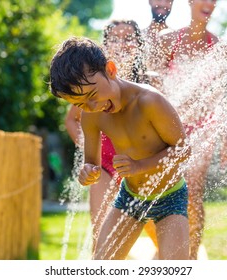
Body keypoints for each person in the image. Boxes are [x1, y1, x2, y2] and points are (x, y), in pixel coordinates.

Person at [50, 37, 191, 260]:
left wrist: (140, 166)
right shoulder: (91, 115)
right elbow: (91, 162)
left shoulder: (149, 101)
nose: (93, 106)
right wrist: (88, 171)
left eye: (93, 96)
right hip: (129, 198)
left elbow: (183, 149)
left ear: (111, 69)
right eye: (80, 104)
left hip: (170, 197)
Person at [159, 0, 227, 259]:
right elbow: (154, 88)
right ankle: (169, 255)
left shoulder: (220, 48)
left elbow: (221, 99)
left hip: (202, 129)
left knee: (193, 194)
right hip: (169, 128)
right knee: (165, 193)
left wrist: (226, 145)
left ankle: (191, 259)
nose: (209, 3)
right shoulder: (168, 40)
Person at [64, 20, 156, 254]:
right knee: (103, 236)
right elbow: (71, 120)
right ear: (105, 46)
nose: (122, 44)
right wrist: (88, 149)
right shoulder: (92, 83)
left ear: (139, 45)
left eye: (129, 39)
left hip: (141, 167)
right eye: (115, 38)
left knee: (159, 234)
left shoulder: (149, 81)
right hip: (104, 167)